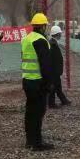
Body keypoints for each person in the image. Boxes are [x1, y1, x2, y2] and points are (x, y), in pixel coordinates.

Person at [21, 12, 54, 150]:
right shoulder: (40, 40)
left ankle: (29, 140)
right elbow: (45, 65)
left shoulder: (27, 39)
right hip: (38, 82)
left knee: (30, 111)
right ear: (43, 26)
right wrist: (49, 84)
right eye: (45, 25)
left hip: (27, 80)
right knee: (38, 112)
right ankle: (37, 143)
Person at [48, 25, 71, 108]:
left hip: (55, 71)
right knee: (54, 87)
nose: (61, 35)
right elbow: (53, 59)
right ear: (57, 34)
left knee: (57, 86)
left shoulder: (53, 43)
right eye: (60, 34)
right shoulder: (52, 44)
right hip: (54, 71)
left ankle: (63, 100)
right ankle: (51, 104)